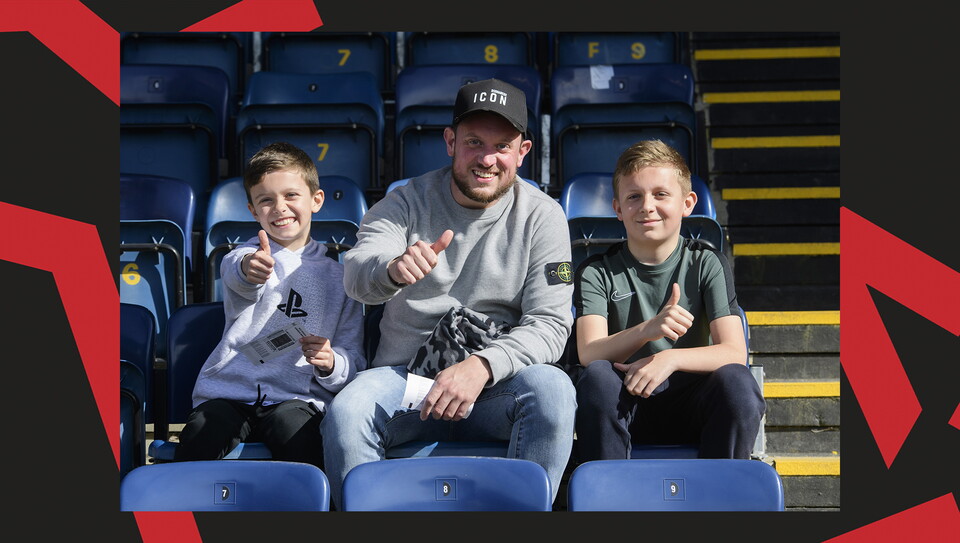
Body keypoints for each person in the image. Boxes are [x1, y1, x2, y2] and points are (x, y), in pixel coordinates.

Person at [322, 78, 576, 508]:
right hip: (407, 382)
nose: (487, 159)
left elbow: (551, 324)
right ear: (450, 141)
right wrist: (392, 269)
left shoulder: (544, 216)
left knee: (554, 391)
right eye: (474, 142)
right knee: (348, 412)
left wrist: (481, 366)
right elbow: (357, 275)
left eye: (502, 146)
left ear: (523, 152)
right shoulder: (404, 202)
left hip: (497, 386)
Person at [175, 142, 366, 468]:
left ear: (316, 200)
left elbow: (354, 360)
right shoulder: (243, 257)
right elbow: (239, 275)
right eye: (266, 200)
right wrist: (252, 269)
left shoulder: (342, 279)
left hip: (297, 398)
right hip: (229, 394)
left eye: (291, 195)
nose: (280, 207)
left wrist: (331, 362)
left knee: (300, 437)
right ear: (252, 211)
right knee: (200, 434)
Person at [572, 139, 765, 461]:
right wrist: (648, 330)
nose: (647, 206)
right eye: (634, 197)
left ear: (687, 203)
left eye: (661, 194)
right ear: (617, 208)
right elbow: (589, 352)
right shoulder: (597, 271)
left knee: (737, 382)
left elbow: (734, 352)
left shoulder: (706, 262)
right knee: (597, 379)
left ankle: (722, 496)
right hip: (625, 404)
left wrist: (669, 359)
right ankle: (608, 498)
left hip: (692, 403)